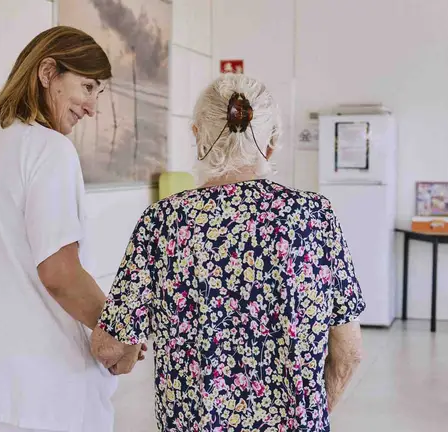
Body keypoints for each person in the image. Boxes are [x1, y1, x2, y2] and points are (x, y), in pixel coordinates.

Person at [91, 73, 365, 431]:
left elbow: (109, 348)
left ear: (197, 137)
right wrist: (310, 416)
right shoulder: (315, 216)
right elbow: (349, 352)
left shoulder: (164, 222)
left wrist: (125, 354)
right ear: (271, 144)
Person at [0, 26, 143, 432]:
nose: (93, 107)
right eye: (87, 87)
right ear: (47, 73)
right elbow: (59, 273)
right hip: (41, 392)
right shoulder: (50, 150)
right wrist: (120, 333)